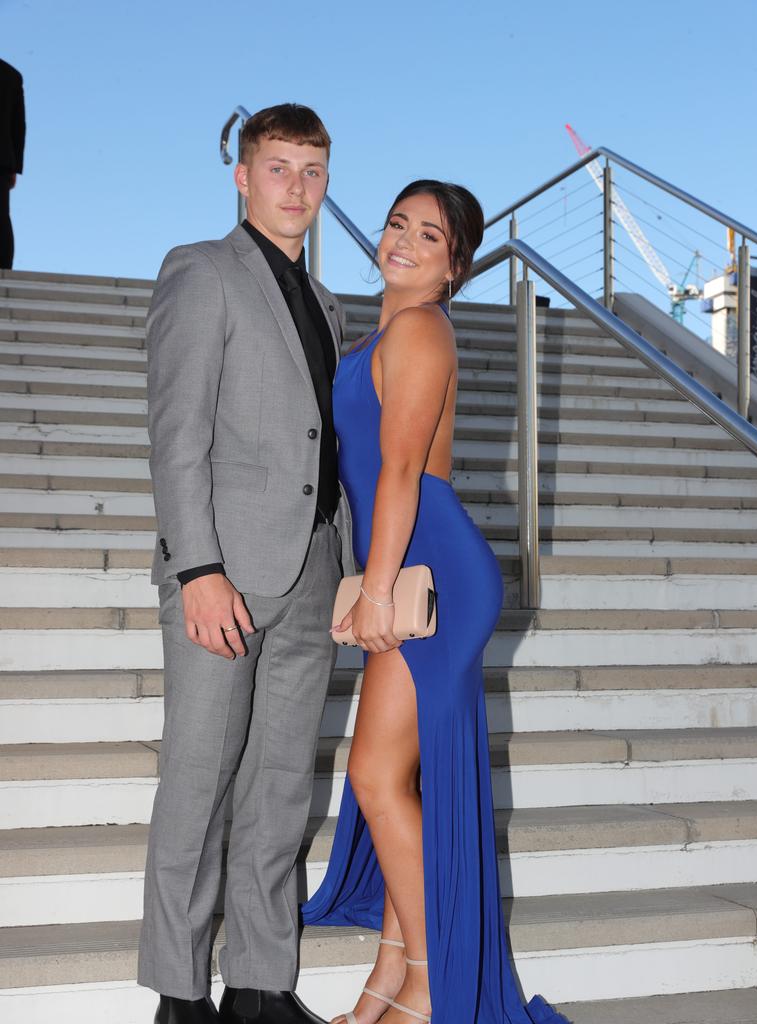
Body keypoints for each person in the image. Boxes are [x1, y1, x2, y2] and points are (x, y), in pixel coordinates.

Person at [301, 181, 571, 1024]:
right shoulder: (382, 329)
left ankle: (427, 987)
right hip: (416, 560)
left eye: (430, 235)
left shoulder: (419, 328)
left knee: (378, 777)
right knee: (392, 779)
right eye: (396, 224)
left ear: (456, 265)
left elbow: (401, 472)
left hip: (429, 569)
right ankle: (389, 982)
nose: (405, 241)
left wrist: (377, 586)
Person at [138, 103, 355, 1024]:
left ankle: (262, 985)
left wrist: (343, 561)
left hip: (309, 571)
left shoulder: (329, 303)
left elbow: (322, 441)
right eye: (278, 168)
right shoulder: (202, 272)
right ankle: (181, 995)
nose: (296, 187)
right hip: (223, 573)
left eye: (311, 170)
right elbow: (176, 435)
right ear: (241, 173)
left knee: (277, 787)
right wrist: (197, 570)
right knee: (199, 781)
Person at [0, 58, 25, 270]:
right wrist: (15, 166)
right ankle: (3, 268)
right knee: (1, 217)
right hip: (2, 160)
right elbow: (18, 127)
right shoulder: (11, 75)